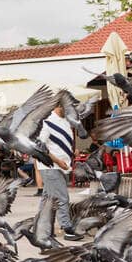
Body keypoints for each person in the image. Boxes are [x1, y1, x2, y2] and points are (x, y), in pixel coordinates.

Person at [36, 102, 82, 241]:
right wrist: (57, 161)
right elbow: (41, 146)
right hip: (52, 167)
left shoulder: (66, 121)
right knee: (62, 198)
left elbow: (59, 143)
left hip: (61, 166)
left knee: (47, 200)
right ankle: (67, 229)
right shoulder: (47, 122)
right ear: (57, 106)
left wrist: (72, 153)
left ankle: (42, 228)